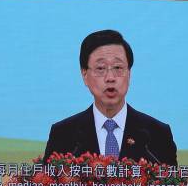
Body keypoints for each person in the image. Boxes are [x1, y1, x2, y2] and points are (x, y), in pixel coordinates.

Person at [44, 30, 177, 165]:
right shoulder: (62, 134)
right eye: (101, 68)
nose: (110, 78)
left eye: (118, 67)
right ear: (84, 75)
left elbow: (172, 185)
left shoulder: (158, 134)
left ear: (129, 73)